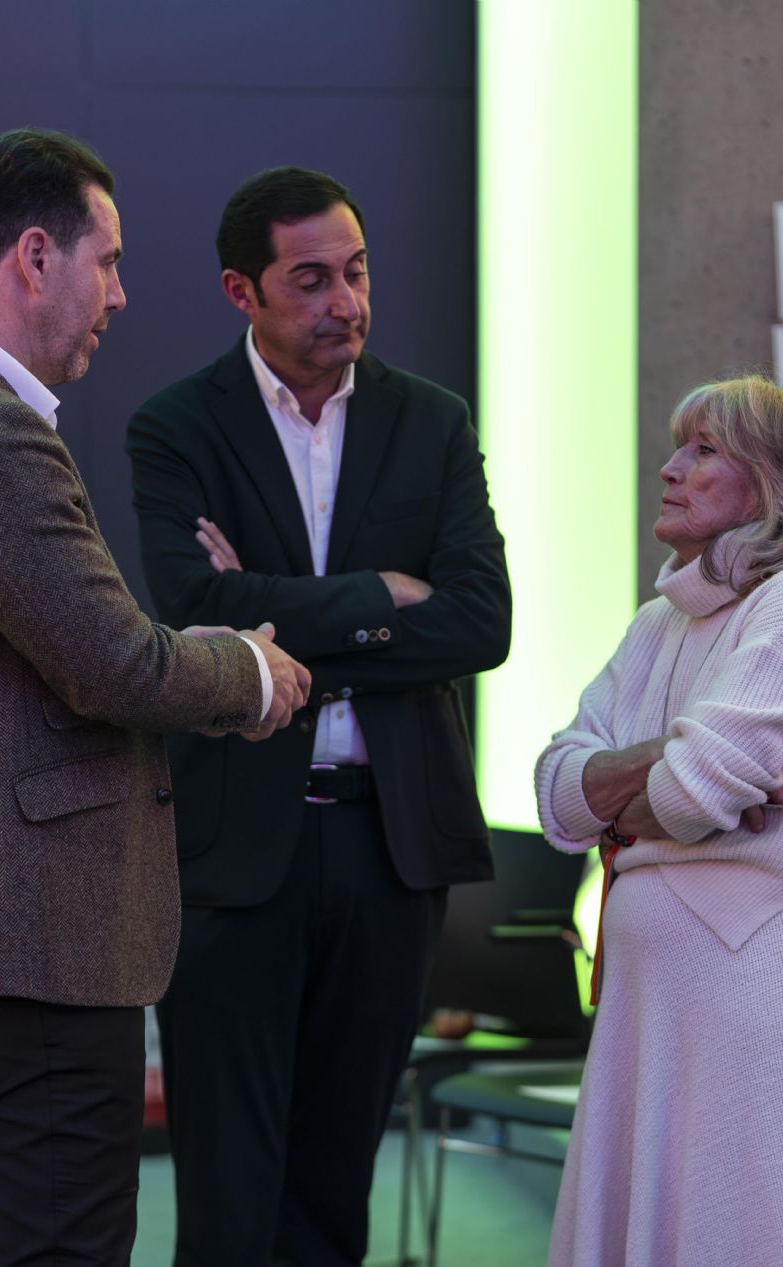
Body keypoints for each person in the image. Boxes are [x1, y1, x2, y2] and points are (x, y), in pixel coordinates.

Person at [0, 127, 311, 1267]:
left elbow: (63, 649)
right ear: (36, 256)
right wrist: (249, 670)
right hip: (24, 944)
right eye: (110, 262)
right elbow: (114, 666)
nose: (120, 296)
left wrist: (175, 646)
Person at [126, 166, 511, 1266]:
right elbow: (192, 610)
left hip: (390, 846)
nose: (345, 301)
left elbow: (480, 623)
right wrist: (383, 593)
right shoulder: (177, 427)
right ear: (241, 290)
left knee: (334, 1192)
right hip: (239, 847)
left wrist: (272, 613)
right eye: (311, 280)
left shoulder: (429, 421)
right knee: (229, 1199)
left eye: (357, 271)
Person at [534, 375, 783, 1266]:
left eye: (703, 450)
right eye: (677, 446)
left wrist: (630, 801)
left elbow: (689, 798)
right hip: (649, 1002)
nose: (670, 468)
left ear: (774, 483)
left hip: (749, 993)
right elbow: (555, 796)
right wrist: (667, 762)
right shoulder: (659, 622)